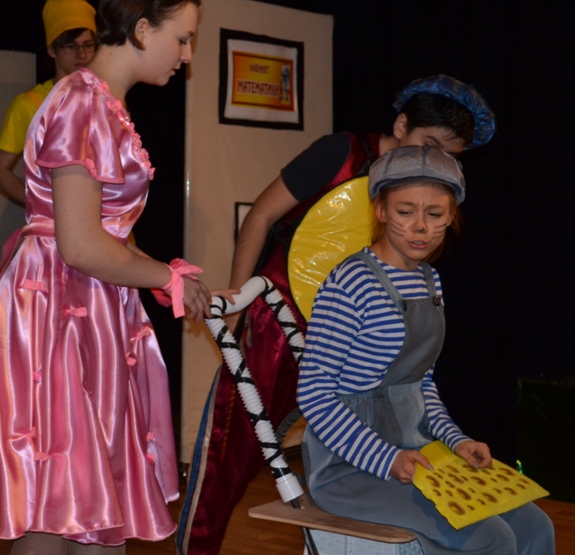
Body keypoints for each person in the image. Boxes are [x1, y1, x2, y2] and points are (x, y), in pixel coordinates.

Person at [0, 0, 230, 555]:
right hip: (57, 309)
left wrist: (157, 271)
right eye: (182, 38)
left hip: (82, 304)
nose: (187, 55)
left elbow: (104, 236)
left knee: (91, 500)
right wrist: (163, 276)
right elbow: (82, 245)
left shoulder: (100, 105)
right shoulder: (83, 106)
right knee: (58, 501)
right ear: (141, 30)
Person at [178, 76, 495, 555]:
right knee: (231, 448)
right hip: (284, 322)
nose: (432, 161)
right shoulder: (341, 153)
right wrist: (240, 306)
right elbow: (261, 215)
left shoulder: (425, 255)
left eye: (449, 157)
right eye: (428, 144)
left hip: (368, 340)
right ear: (401, 125)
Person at [297, 145, 554, 553]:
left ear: (451, 217)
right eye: (405, 212)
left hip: (416, 453)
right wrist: (386, 458)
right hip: (349, 466)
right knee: (491, 538)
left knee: (536, 527)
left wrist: (456, 440)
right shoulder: (350, 283)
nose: (420, 227)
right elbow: (313, 393)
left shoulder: (430, 280)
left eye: (435, 214)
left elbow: (420, 385)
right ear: (380, 210)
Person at [0, 0, 99, 206]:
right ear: (52, 49)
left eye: (88, 45)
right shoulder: (28, 104)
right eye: (71, 46)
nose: (81, 54)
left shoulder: (108, 99)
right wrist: (42, 204)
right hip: (54, 226)